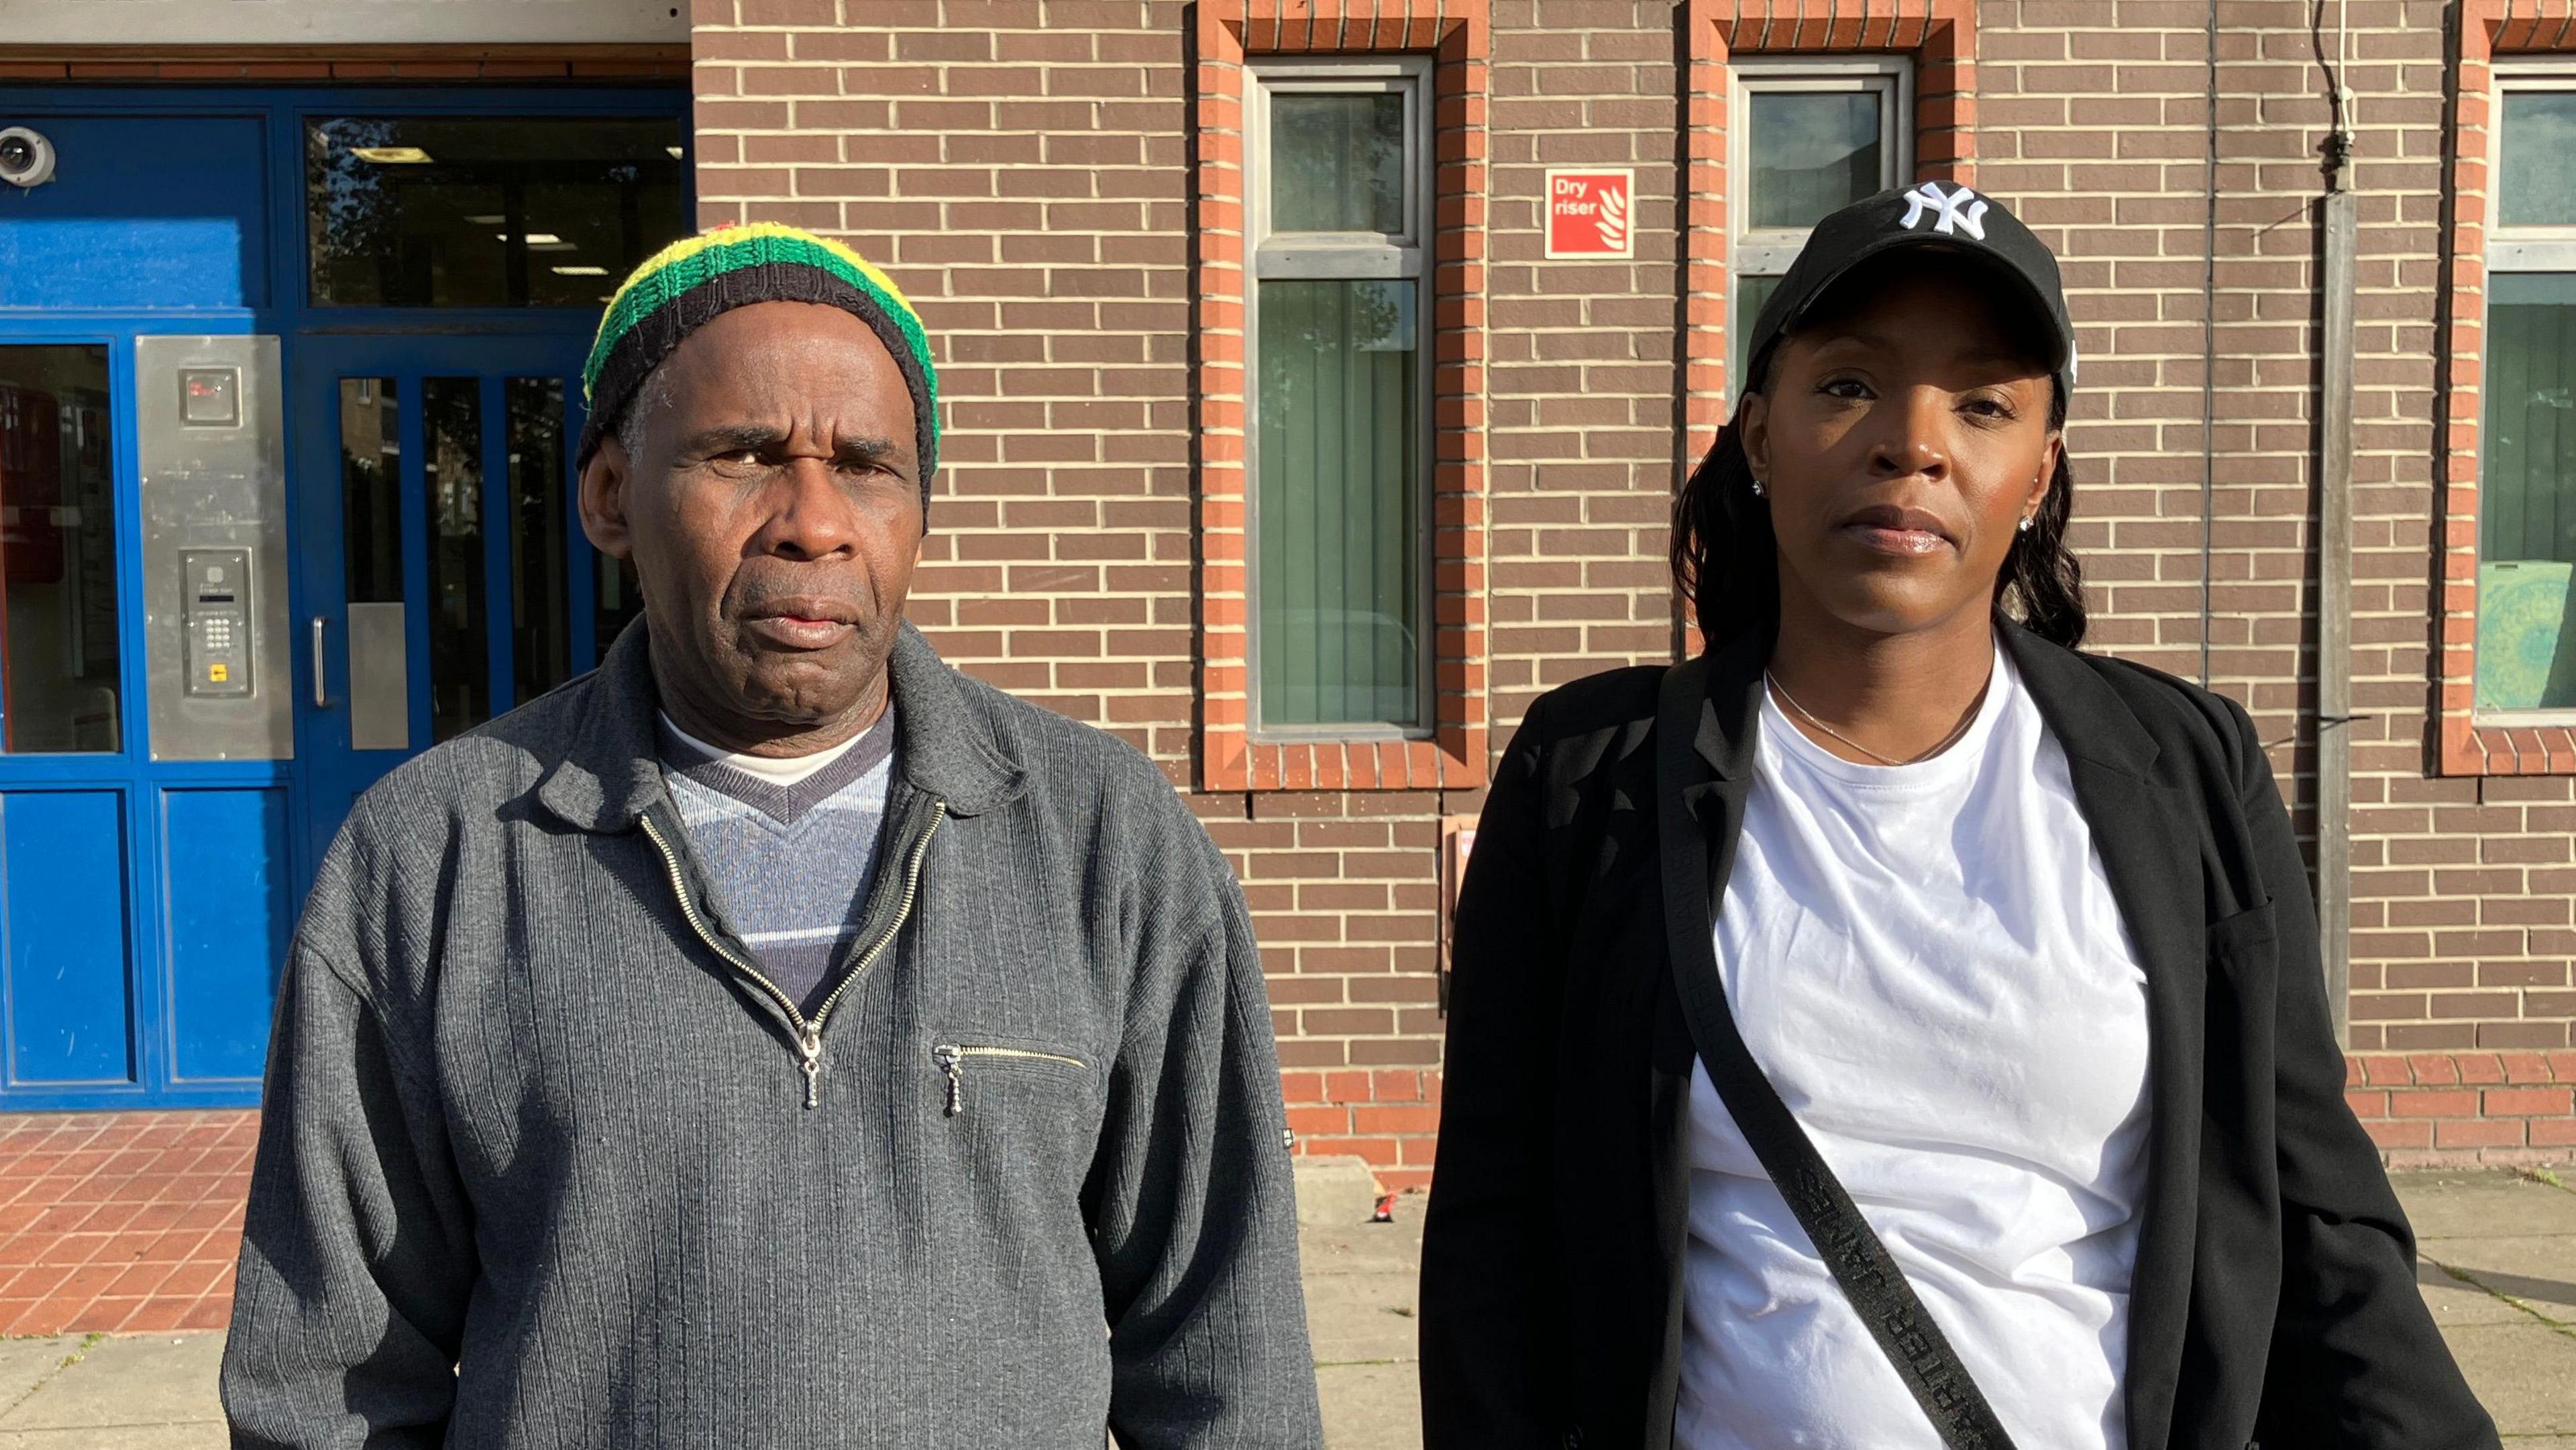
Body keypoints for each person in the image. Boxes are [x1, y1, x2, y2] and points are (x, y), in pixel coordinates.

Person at [1419, 184, 2498, 1450]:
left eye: (1982, 403)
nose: (1911, 441)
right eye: (1848, 387)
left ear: (2038, 470)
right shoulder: (1591, 777)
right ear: (1759, 436)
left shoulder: (2188, 771)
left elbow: (2318, 1220)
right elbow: (1495, 1237)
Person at [223, 223, 1324, 1448]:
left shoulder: (1105, 841)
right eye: (744, 454)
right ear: (608, 495)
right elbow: (329, 1386)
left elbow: (1231, 1361)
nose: (813, 521)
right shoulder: (434, 856)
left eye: (866, 466)